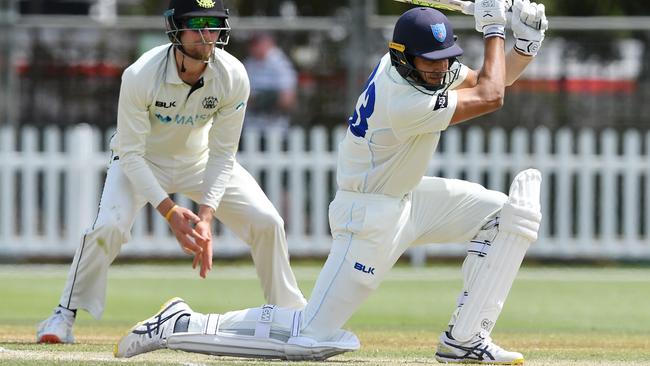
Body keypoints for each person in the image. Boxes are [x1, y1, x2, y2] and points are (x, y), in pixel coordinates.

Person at [114, 0, 548, 364]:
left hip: (408, 199)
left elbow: (494, 80)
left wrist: (524, 44)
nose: (441, 70)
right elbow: (491, 96)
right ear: (404, 58)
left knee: (509, 215)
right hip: (369, 217)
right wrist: (493, 28)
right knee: (311, 337)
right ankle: (181, 324)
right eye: (430, 62)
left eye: (445, 60)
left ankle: (465, 338)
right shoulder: (403, 100)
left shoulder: (419, 67)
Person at [36, 0, 307, 344]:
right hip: (142, 161)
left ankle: (290, 318)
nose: (208, 35)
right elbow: (131, 153)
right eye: (198, 25)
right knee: (108, 227)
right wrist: (170, 212)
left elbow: (223, 155)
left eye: (214, 25)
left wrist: (205, 217)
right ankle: (62, 315)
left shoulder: (234, 75)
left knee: (268, 222)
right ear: (175, 28)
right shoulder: (140, 75)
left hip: (199, 159)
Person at [242, 33, 298, 131]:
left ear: (268, 43)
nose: (254, 48)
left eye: (257, 44)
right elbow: (241, 96)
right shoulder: (248, 64)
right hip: (251, 125)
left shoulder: (281, 64)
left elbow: (287, 99)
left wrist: (264, 99)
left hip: (275, 125)